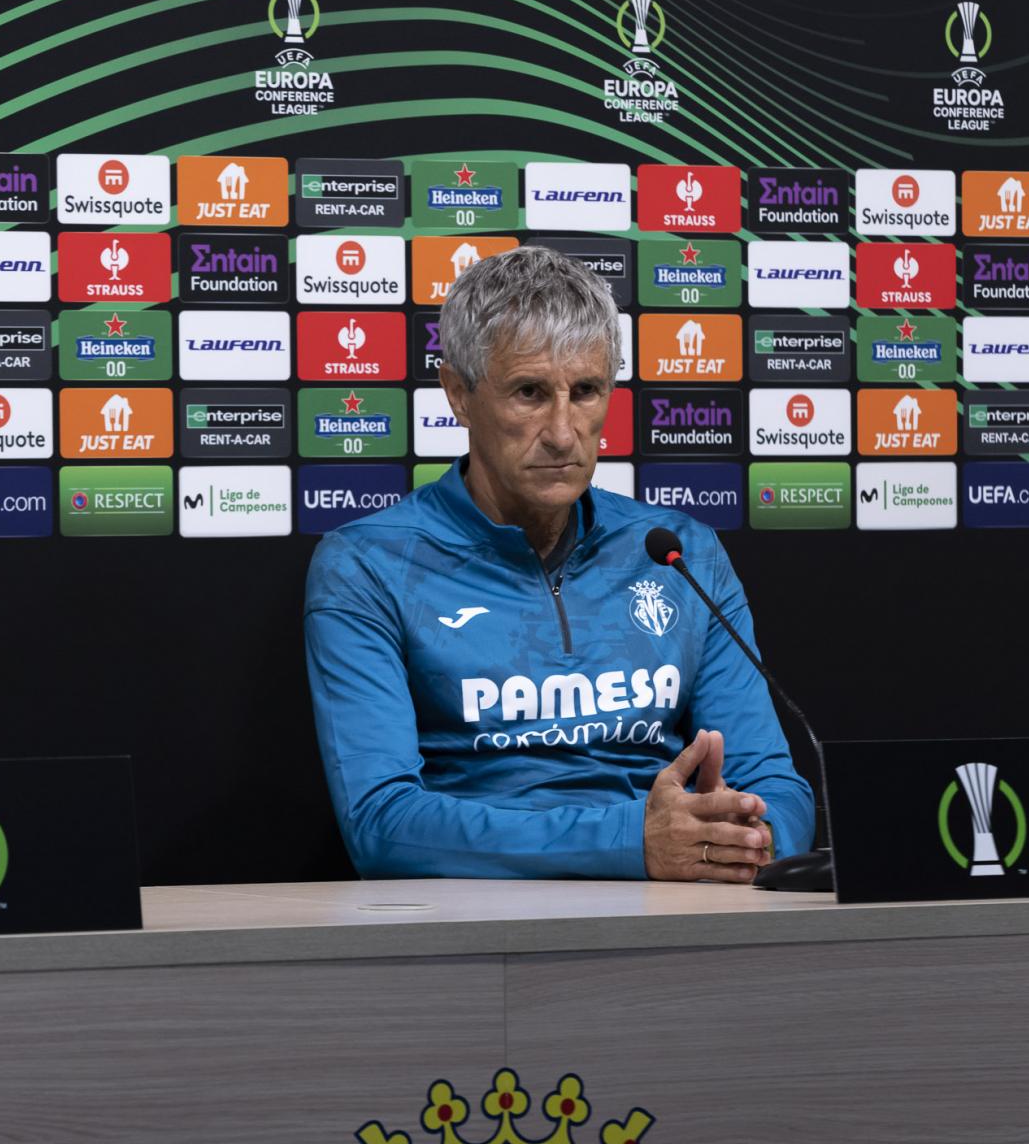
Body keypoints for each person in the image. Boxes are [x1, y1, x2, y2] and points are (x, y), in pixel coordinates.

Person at [304, 246, 812, 882]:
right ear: (458, 394)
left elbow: (775, 785)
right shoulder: (368, 564)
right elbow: (381, 823)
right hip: (480, 917)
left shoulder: (681, 551)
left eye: (587, 391)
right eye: (530, 393)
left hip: (684, 898)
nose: (564, 433)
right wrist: (631, 843)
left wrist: (746, 836)